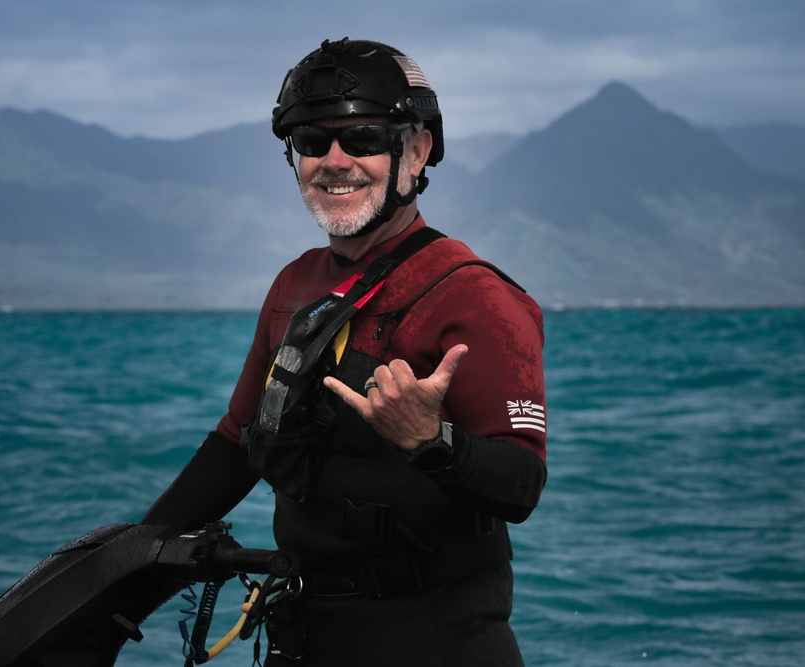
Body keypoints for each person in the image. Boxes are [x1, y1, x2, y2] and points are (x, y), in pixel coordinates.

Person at [141, 37, 547, 666]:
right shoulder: (293, 285)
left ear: (416, 150)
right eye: (311, 142)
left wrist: (431, 441)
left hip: (434, 640)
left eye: (360, 138)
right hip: (303, 632)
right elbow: (235, 445)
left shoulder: (477, 298)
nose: (334, 161)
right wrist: (127, 564)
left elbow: (521, 485)